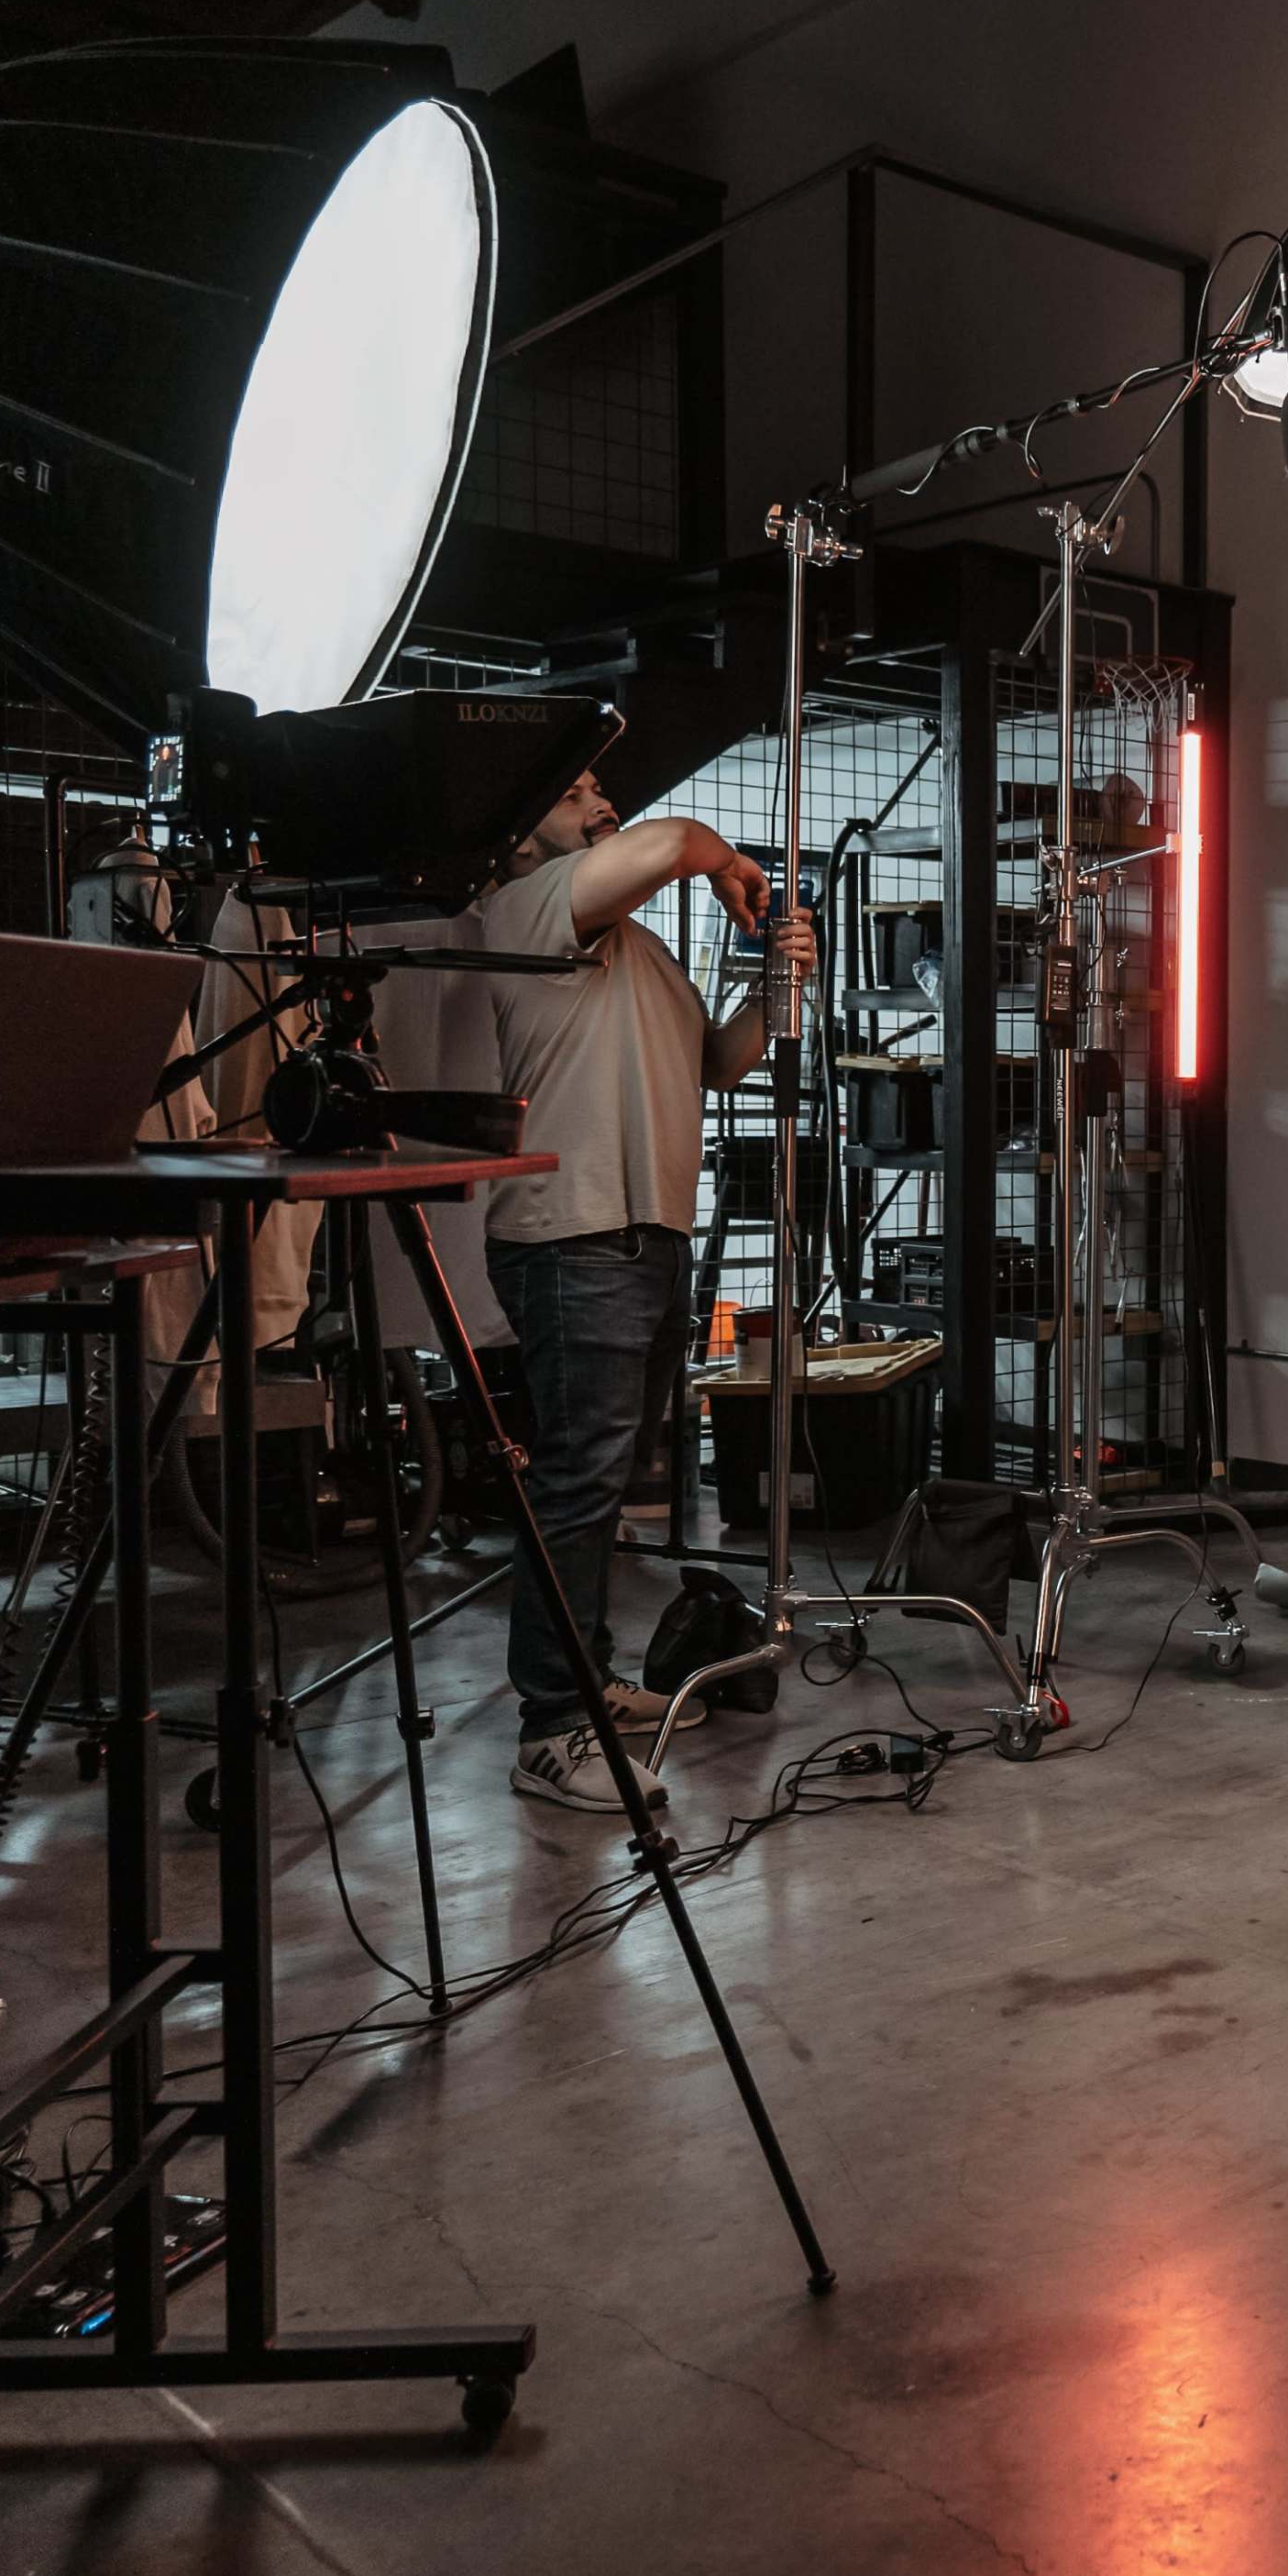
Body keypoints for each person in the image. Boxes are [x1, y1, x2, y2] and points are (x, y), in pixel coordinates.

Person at [470, 769, 814, 1813]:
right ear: (519, 834)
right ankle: (550, 1727)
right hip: (576, 1235)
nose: (595, 792)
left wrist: (773, 988)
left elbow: (715, 1065)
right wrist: (732, 865)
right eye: (567, 786)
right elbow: (671, 846)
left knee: (604, 1487)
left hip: (644, 1235)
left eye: (595, 779)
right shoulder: (530, 907)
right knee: (577, 1485)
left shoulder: (640, 950)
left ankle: (586, 1675)